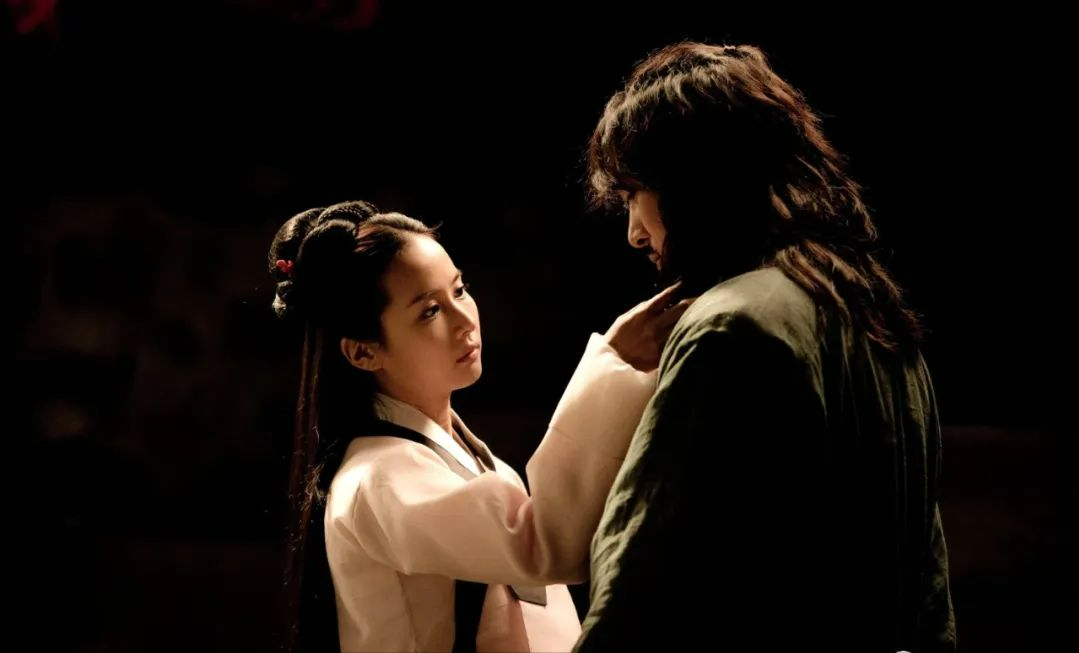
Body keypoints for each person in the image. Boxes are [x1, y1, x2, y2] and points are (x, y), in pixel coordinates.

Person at [576, 42, 956, 652]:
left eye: (633, 194)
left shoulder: (729, 326)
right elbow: (928, 587)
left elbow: (641, 579)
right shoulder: (876, 318)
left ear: (691, 180)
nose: (634, 233)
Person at [267, 200, 690, 652]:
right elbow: (544, 545)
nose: (465, 319)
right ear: (363, 352)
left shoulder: (469, 462)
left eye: (460, 290)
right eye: (430, 310)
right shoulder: (378, 478)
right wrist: (617, 362)